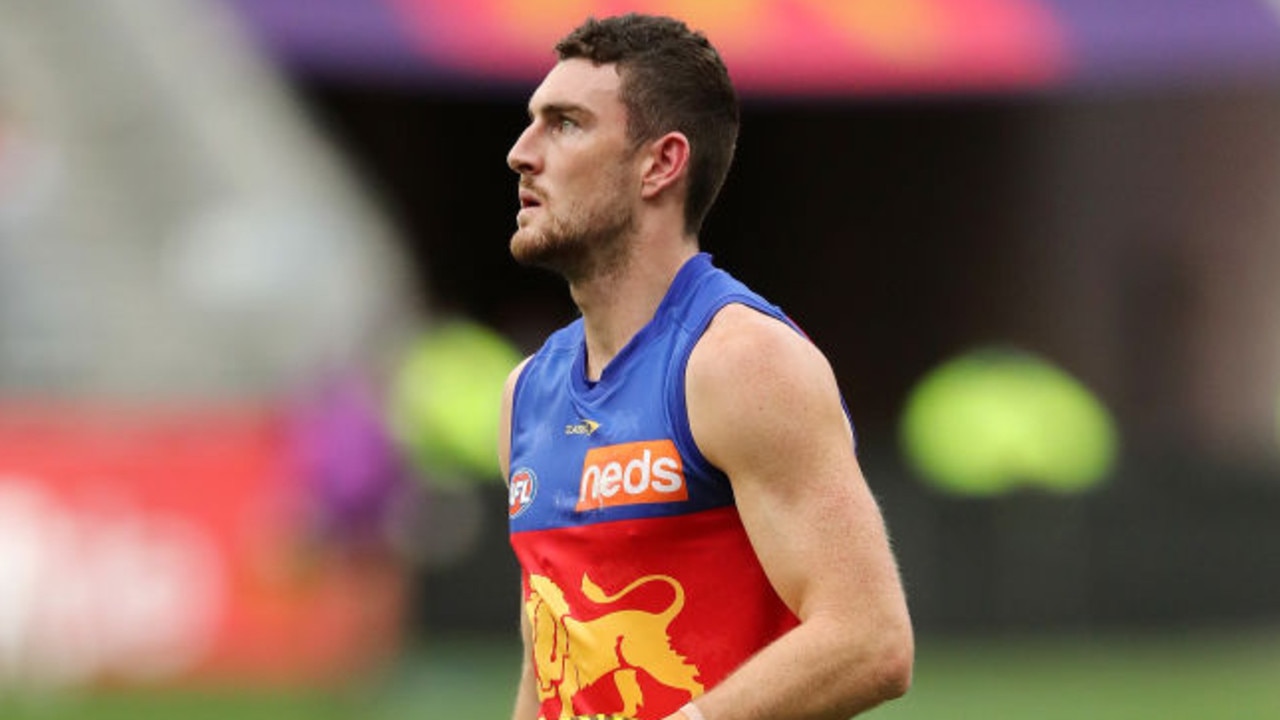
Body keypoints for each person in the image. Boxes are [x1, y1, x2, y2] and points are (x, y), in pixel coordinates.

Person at [497, 14, 913, 720]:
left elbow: (869, 640)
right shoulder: (525, 393)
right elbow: (548, 671)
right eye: (532, 120)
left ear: (660, 164)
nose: (520, 153)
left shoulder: (740, 362)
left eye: (565, 124)